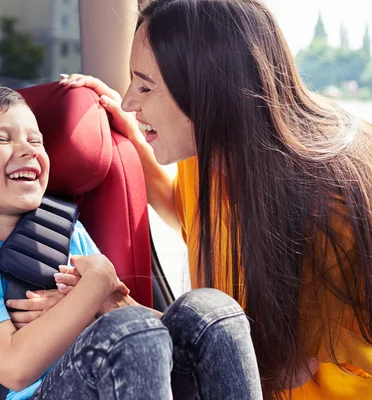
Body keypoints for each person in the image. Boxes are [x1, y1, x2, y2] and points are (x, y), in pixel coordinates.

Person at [32, 0, 371, 399]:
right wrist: (136, 139)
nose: (128, 101)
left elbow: (260, 365)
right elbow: (184, 212)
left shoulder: (330, 205)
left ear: (207, 90)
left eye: (144, 86)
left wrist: (115, 310)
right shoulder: (208, 161)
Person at [0, 86, 263, 399]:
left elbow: (142, 328)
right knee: (127, 331)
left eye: (35, 141)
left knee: (209, 312)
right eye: (2, 140)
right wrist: (95, 282)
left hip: (100, 382)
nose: (26, 149)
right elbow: (14, 368)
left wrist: (99, 302)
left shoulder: (66, 231)